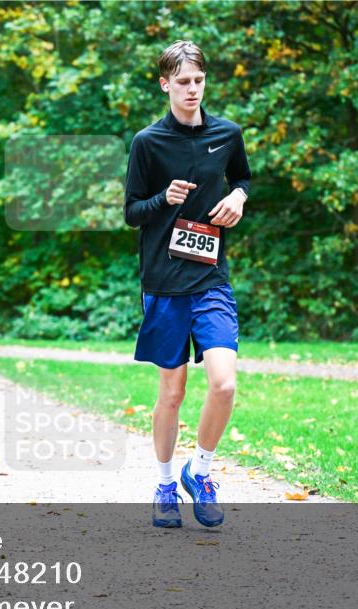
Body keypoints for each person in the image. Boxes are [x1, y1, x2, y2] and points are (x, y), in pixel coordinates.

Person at [124, 41, 250, 529]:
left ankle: (200, 472)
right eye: (182, 82)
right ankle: (162, 484)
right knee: (172, 394)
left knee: (224, 383)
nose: (192, 90)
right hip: (163, 280)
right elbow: (132, 211)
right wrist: (163, 199)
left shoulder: (227, 133)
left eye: (198, 80)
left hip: (210, 277)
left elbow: (243, 176)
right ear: (164, 84)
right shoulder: (147, 142)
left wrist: (238, 196)